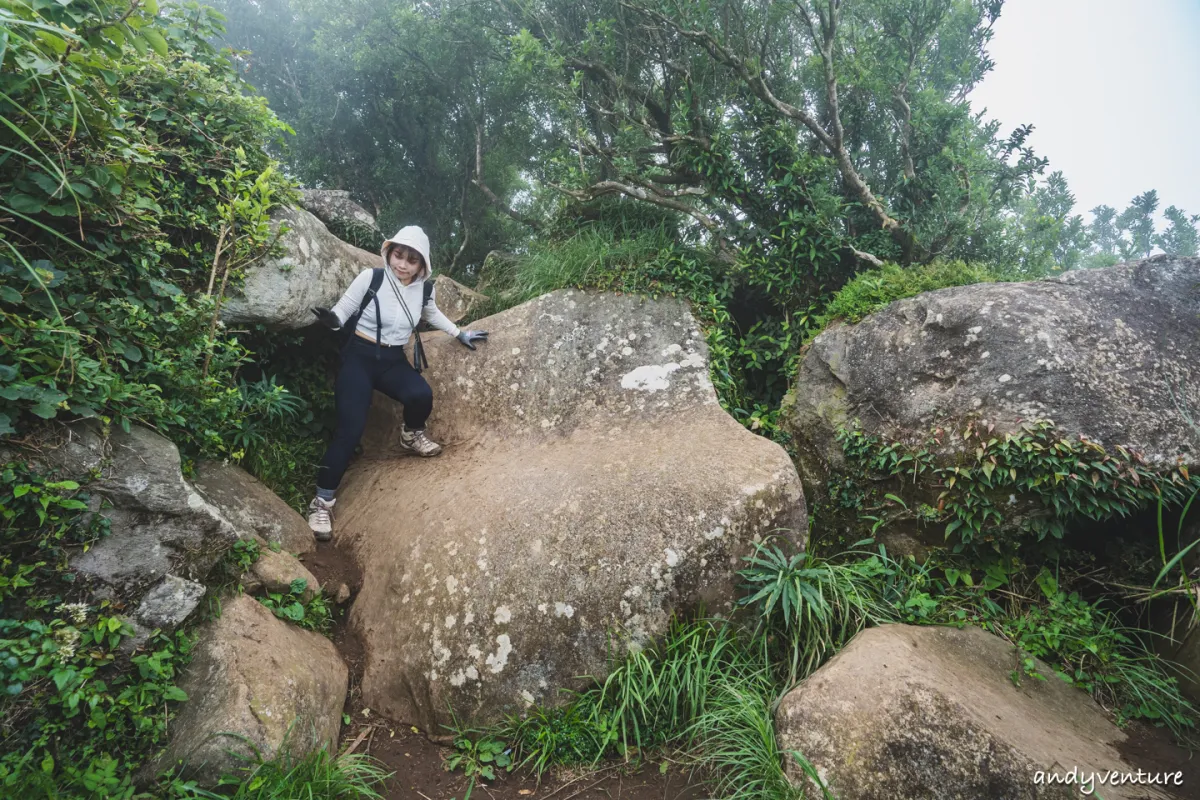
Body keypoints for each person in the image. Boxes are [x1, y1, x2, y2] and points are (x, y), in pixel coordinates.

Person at [306, 225, 487, 539]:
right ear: (389, 252)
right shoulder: (371, 278)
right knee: (349, 431)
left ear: (422, 265)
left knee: (421, 395)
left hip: (392, 360)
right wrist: (332, 320)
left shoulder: (424, 289)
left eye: (411, 260)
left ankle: (411, 435)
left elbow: (432, 314)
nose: (402, 264)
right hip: (359, 359)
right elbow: (344, 309)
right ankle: (322, 503)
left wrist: (460, 333)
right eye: (398, 255)